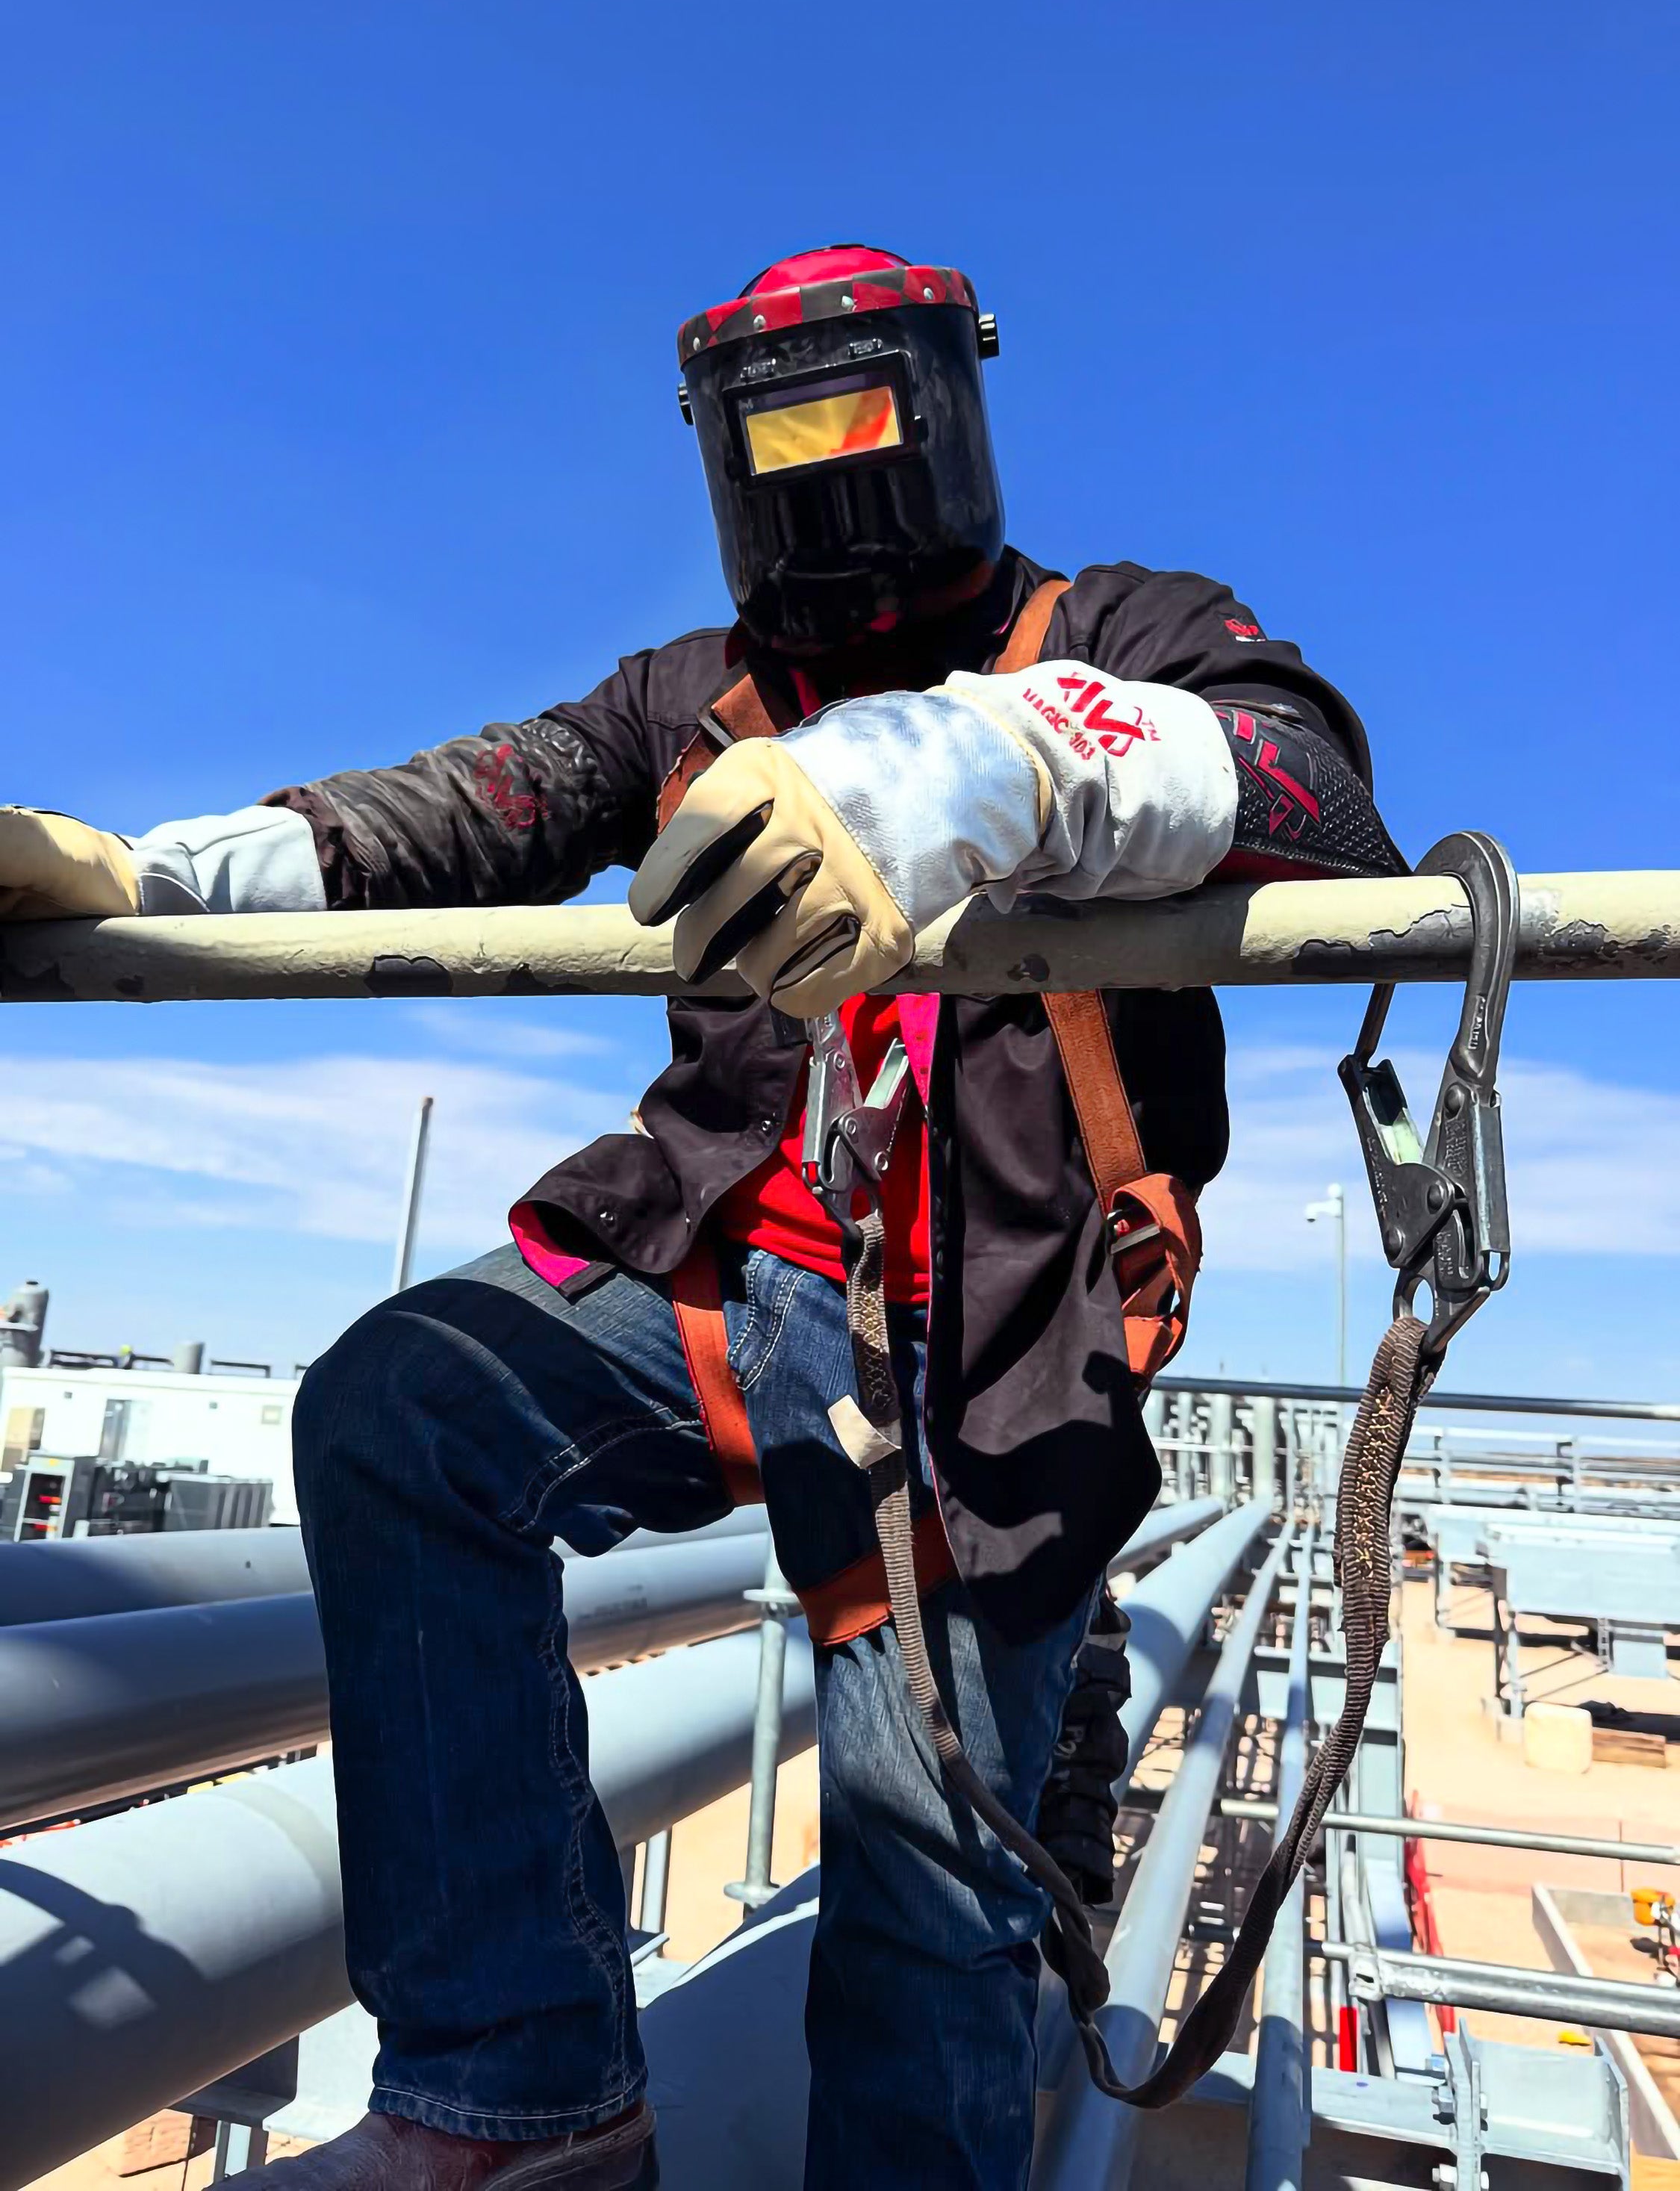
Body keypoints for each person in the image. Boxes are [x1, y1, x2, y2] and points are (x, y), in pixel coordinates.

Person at [0, 246, 1404, 2191]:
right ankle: (523, 2094)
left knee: (923, 1887)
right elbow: (452, 816)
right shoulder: (698, 697)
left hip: (995, 1344)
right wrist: (145, 876)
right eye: (780, 441)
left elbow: (1307, 789)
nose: (824, 486)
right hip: (740, 1288)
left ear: (943, 402)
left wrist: (1005, 761)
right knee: (407, 1412)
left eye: (855, 423)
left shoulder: (1120, 631)